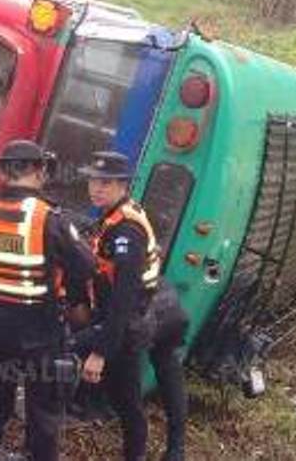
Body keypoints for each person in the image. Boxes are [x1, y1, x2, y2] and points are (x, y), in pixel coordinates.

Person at [0, 139, 96, 461]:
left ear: (2, 172)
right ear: (38, 171)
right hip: (40, 335)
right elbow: (85, 266)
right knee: (43, 415)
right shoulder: (49, 218)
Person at [76, 151, 187, 461]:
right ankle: (174, 447)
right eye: (93, 180)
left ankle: (165, 450)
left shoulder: (126, 230)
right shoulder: (115, 214)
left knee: (127, 398)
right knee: (143, 383)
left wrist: (100, 352)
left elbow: (123, 299)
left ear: (124, 185)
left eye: (106, 183)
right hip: (152, 305)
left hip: (145, 316)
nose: (96, 188)